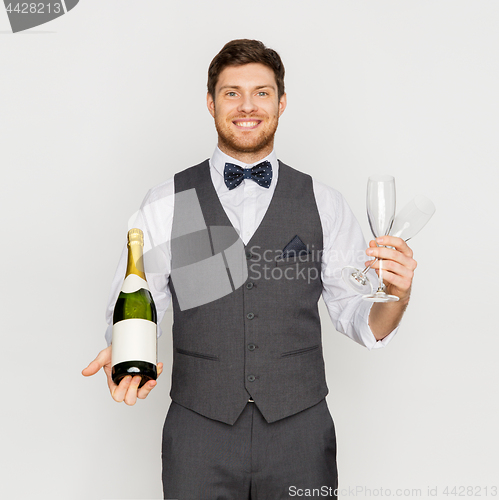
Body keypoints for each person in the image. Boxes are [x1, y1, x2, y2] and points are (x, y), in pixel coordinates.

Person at [82, 39, 417, 499]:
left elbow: (361, 320)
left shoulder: (324, 203)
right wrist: (122, 353)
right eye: (231, 92)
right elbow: (139, 305)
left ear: (281, 103)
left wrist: (396, 296)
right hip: (198, 432)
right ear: (210, 102)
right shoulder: (166, 201)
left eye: (261, 93)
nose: (246, 106)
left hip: (301, 433)